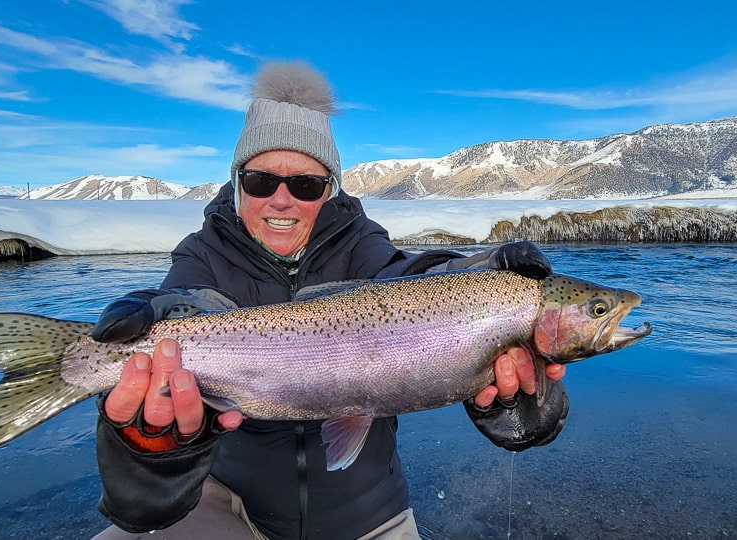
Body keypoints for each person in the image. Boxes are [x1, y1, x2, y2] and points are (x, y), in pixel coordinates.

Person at [89, 61, 571, 540]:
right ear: (237, 184)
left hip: (369, 517)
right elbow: (189, 300)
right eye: (260, 181)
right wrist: (152, 450)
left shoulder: (361, 243)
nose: (282, 200)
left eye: (305, 184)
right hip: (225, 506)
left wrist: (481, 280)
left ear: (330, 191)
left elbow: (409, 277)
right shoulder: (203, 251)